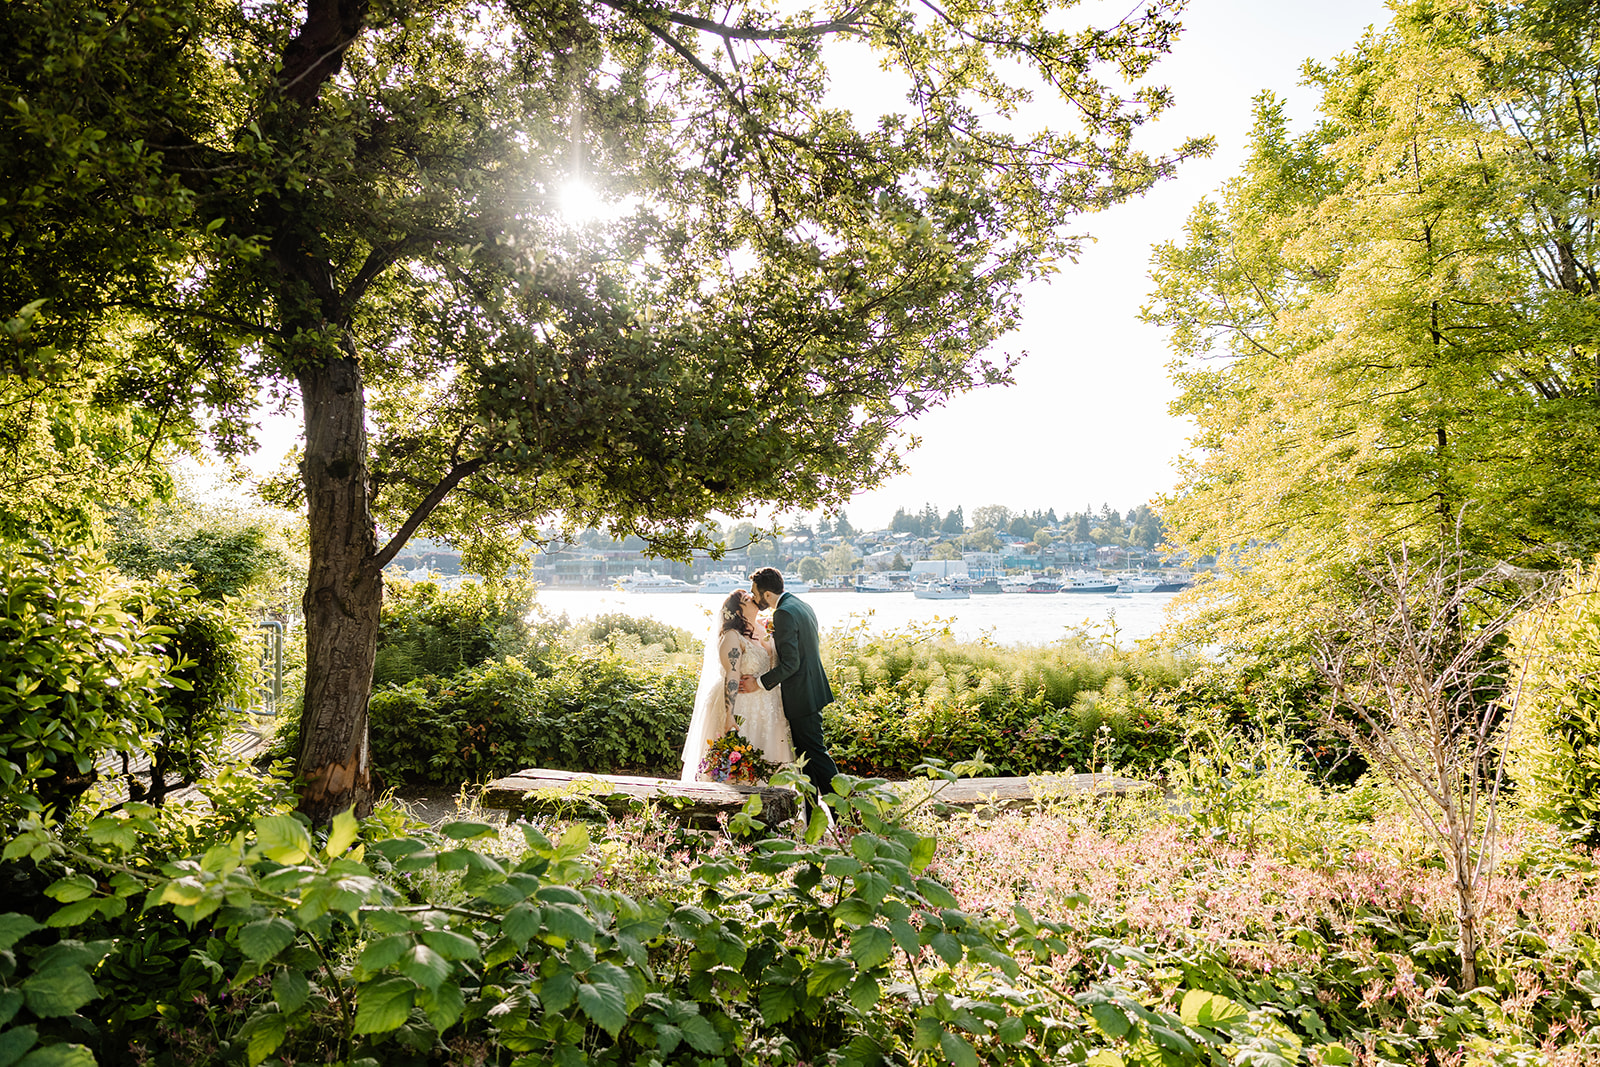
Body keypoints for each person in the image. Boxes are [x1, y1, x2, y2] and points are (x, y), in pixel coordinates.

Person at [740, 566, 841, 798]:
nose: (753, 597)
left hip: (801, 696)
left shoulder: (783, 613)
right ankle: (812, 812)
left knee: (816, 756)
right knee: (807, 761)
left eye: (755, 593)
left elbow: (791, 664)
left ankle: (845, 810)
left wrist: (759, 682)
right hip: (812, 690)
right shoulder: (800, 605)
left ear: (767, 594)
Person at [680, 590, 794, 782]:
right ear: (738, 610)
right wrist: (729, 714)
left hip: (769, 706)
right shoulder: (732, 637)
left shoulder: (763, 629)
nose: (753, 598)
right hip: (742, 706)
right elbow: (732, 675)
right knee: (741, 765)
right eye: (746, 599)